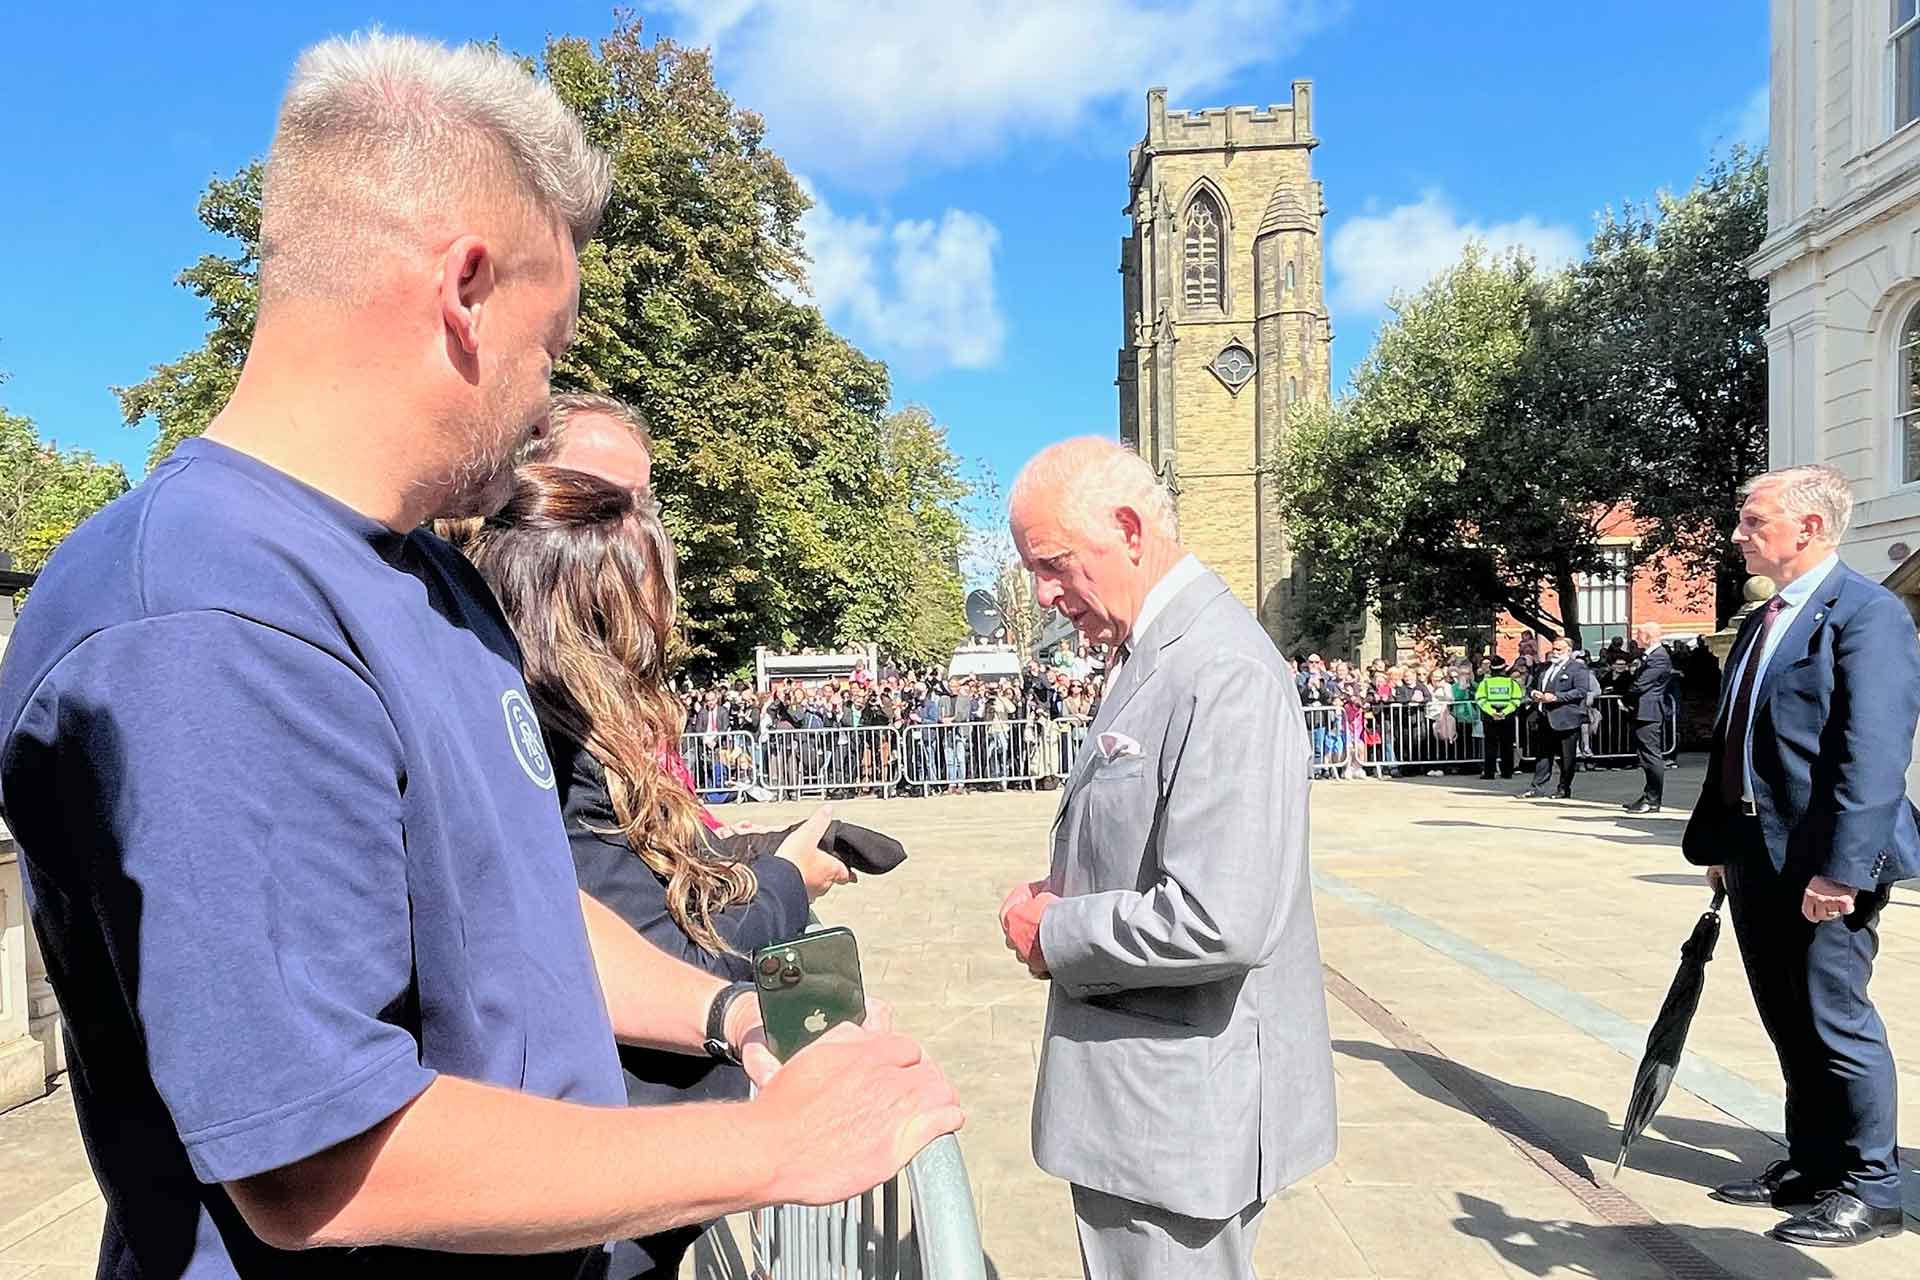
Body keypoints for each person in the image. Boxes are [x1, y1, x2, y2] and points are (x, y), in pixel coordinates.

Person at [0, 34, 959, 1277]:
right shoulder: (208, 609)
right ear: (464, 289)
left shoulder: (425, 579)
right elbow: (319, 1161)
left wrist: (727, 1012)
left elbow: (521, 916)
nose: (545, 391)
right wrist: (774, 1148)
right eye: (549, 342)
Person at [453, 466, 855, 1277]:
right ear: (598, 606)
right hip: (601, 1188)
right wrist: (785, 881)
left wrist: (749, 856)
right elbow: (651, 959)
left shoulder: (542, 730)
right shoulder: (551, 747)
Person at [996, 438, 1335, 1280]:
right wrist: (1072, 882)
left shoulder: (1217, 666)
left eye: (1052, 564)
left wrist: (1057, 931)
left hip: (1178, 1117)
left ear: (1127, 529)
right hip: (1148, 1109)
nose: (1045, 594)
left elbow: (1221, 919)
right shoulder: (1157, 653)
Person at [1682, 464, 1920, 1249]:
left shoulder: (1869, 614)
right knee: (1788, 1018)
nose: (1739, 533)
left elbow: (1872, 756)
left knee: (1835, 1020)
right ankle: (1815, 1163)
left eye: (1754, 521)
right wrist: (1721, 844)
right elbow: (1737, 738)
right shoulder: (1762, 618)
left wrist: (1844, 871)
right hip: (1756, 851)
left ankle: (1872, 1186)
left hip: (1825, 861)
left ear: (1809, 527)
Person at [1519, 637, 1597, 799]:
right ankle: (1537, 787)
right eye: (1553, 649)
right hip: (1544, 716)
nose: (1555, 652)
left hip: (1566, 718)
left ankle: (1564, 787)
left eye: (1559, 650)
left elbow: (1581, 691)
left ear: (1568, 651)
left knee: (1567, 757)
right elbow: (1531, 686)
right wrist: (1534, 694)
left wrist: (1556, 697)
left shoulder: (1577, 669)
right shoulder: (1544, 668)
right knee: (1543, 755)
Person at [1621, 621, 1674, 813]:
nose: (1636, 638)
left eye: (1638, 635)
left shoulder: (1659, 658)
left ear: (1647, 636)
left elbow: (1641, 684)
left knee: (1651, 756)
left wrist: (1625, 699)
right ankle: (1648, 795)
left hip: (1649, 711)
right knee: (1645, 756)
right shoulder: (1650, 656)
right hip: (1643, 710)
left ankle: (1653, 800)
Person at [1474, 655, 1525, 780]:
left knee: (1490, 745)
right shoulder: (1512, 683)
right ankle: (1507, 772)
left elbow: (1480, 700)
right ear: (1504, 670)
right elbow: (1516, 700)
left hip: (1490, 717)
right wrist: (1504, 712)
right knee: (1507, 745)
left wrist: (1492, 712)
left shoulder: (1484, 683)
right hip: (1507, 716)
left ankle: (1489, 773)